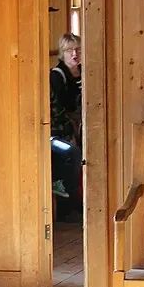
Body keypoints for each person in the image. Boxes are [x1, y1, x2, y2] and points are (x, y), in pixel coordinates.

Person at [50, 31, 82, 221]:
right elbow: (58, 110)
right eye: (69, 50)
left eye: (77, 49)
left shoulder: (84, 72)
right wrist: (70, 130)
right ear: (62, 53)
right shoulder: (57, 75)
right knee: (73, 153)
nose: (74, 54)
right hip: (59, 134)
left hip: (82, 127)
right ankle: (68, 202)